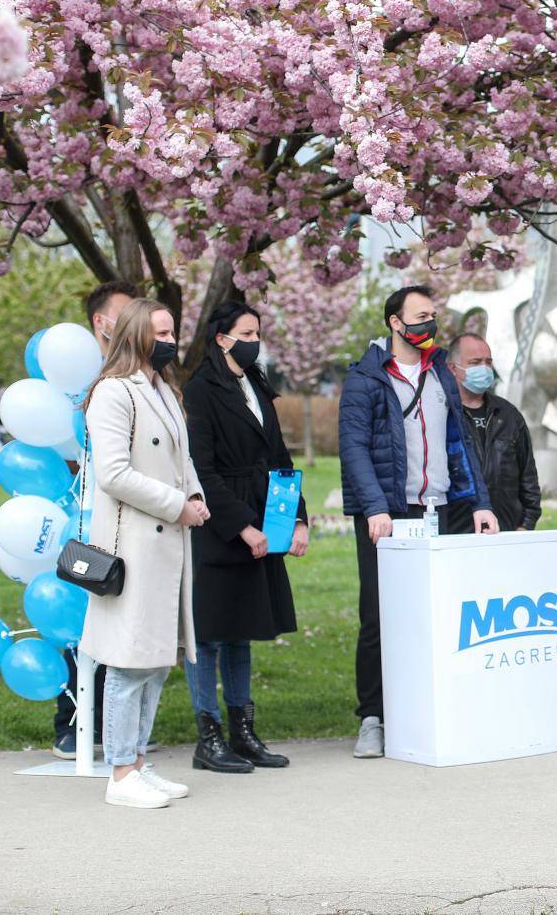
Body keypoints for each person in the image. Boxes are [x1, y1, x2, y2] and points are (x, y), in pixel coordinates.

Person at [339, 284, 497, 759]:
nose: (430, 324)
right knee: (380, 617)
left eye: (433, 315)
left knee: (439, 615)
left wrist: (481, 502)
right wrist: (375, 507)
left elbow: (459, 442)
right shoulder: (366, 378)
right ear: (395, 321)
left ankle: (432, 709)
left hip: (439, 508)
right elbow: (353, 449)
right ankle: (373, 717)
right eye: (421, 315)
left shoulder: (440, 374)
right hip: (390, 514)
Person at [79, 298, 210, 809]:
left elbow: (183, 459)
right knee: (129, 662)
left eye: (173, 331)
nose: (170, 340)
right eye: (161, 331)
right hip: (132, 544)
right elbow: (113, 474)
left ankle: (136, 761)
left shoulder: (164, 390)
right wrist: (177, 505)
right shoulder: (113, 393)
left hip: (169, 545)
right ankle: (119, 772)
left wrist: (194, 498)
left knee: (157, 660)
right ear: (135, 335)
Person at [182, 301, 309, 774]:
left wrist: (295, 519)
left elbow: (280, 457)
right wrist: (241, 525)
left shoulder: (257, 384)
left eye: (258, 331)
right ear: (222, 338)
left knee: (242, 635)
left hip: (264, 511)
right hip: (220, 524)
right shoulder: (200, 390)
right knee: (211, 636)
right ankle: (208, 734)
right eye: (247, 332)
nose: (256, 340)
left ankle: (243, 730)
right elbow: (202, 469)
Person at [53, 278, 144, 760]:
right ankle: (71, 719)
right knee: (75, 618)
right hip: (77, 517)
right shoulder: (74, 375)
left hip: (126, 513)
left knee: (120, 615)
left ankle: (115, 726)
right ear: (102, 321)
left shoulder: (137, 373)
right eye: (127, 315)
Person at [447, 332, 542, 532]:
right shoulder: (444, 415)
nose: (484, 368)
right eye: (475, 362)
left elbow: (528, 478)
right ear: (452, 368)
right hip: (457, 533)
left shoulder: (508, 415)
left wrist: (526, 524)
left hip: (506, 532)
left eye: (488, 362)